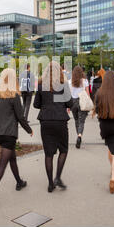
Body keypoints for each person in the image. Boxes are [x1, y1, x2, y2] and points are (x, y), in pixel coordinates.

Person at [0, 68, 33, 207]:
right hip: (9, 134)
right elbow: (20, 117)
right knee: (2, 166)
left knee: (12, 158)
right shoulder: (14, 96)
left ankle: (19, 182)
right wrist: (29, 130)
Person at [34, 61, 73, 192]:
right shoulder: (63, 85)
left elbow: (36, 104)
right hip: (60, 121)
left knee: (48, 154)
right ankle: (57, 177)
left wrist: (46, 104)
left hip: (45, 121)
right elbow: (70, 103)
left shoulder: (41, 86)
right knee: (63, 150)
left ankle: (50, 184)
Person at [92, 71, 114, 194]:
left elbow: (96, 109)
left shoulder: (100, 93)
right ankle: (113, 177)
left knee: (110, 148)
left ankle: (113, 168)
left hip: (105, 125)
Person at [68, 66, 90, 149]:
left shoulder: (70, 82)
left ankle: (78, 135)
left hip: (73, 102)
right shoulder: (85, 81)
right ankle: (79, 136)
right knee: (81, 121)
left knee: (76, 120)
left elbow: (68, 95)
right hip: (82, 101)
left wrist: (68, 106)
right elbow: (87, 93)